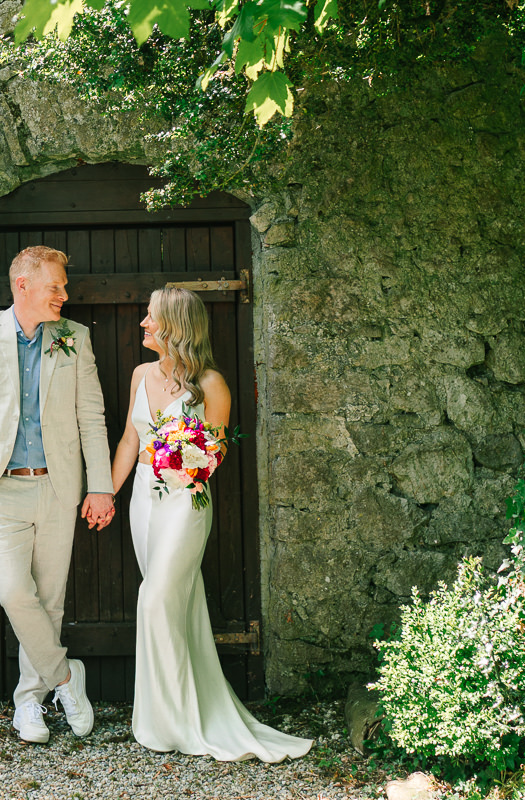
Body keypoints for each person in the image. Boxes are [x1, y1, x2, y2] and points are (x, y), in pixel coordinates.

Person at [111, 286, 314, 761]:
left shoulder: (211, 384)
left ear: (175, 327)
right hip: (144, 497)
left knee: (157, 596)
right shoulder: (141, 373)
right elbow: (127, 440)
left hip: (186, 500)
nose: (143, 324)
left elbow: (215, 452)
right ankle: (169, 715)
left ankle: (178, 722)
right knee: (176, 605)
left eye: (151, 317)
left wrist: (185, 457)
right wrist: (105, 493)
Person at [0, 244, 116, 743]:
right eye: (55, 286)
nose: (64, 295)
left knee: (51, 602)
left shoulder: (74, 338)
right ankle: (66, 678)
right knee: (15, 592)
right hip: (1, 489)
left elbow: (92, 417)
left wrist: (100, 487)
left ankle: (29, 705)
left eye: (63, 287)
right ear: (23, 285)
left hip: (59, 487)